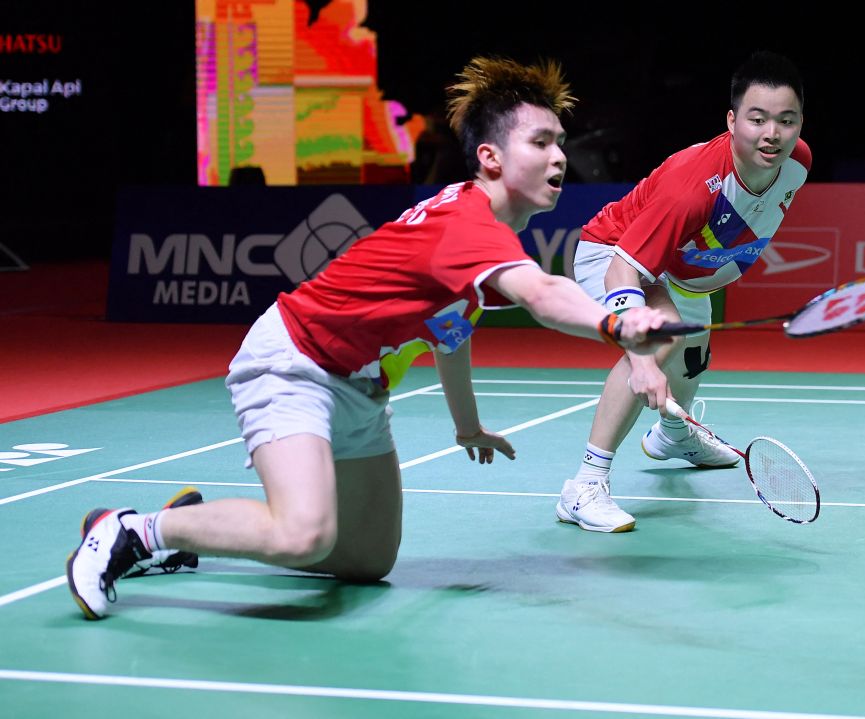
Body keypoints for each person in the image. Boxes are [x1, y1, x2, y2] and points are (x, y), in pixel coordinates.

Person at [66, 56, 675, 619]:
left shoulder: (478, 228)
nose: (559, 157)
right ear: (490, 156)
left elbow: (449, 332)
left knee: (365, 562)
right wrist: (615, 322)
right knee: (304, 534)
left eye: (560, 143)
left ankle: (189, 530)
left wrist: (467, 424)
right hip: (297, 360)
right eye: (540, 142)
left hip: (361, 389)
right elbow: (543, 294)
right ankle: (131, 531)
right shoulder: (466, 226)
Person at [556, 51, 812, 533]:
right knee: (659, 344)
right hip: (613, 253)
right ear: (732, 120)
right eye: (757, 119)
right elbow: (621, 270)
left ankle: (675, 436)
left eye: (786, 120)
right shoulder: (691, 187)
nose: (771, 134)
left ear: (801, 123)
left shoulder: (798, 163)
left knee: (692, 360)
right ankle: (584, 485)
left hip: (680, 268)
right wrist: (644, 360)